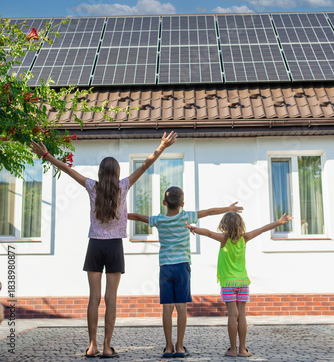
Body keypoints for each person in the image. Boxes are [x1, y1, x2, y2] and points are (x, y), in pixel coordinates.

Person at [30, 131, 178, 359]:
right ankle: (107, 346)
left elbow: (69, 170)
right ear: (117, 173)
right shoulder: (124, 185)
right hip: (114, 247)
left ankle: (92, 345)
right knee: (111, 299)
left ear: (100, 173)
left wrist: (47, 155)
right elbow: (145, 166)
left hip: (95, 246)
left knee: (94, 298)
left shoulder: (92, 187)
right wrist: (162, 147)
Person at [128, 186, 243, 358]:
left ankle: (168, 348)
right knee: (181, 307)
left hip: (166, 267)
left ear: (164, 203)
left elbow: (137, 216)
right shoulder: (186, 217)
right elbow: (209, 212)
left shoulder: (158, 219)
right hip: (182, 266)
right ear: (182, 204)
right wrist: (229, 209)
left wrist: (117, 214)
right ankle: (180, 347)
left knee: (167, 307)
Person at [186, 212, 293, 358]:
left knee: (232, 314)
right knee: (241, 314)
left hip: (228, 282)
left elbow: (209, 233)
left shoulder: (223, 239)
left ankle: (233, 349)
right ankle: (243, 349)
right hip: (242, 281)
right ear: (240, 225)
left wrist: (193, 228)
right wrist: (279, 222)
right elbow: (262, 229)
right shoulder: (245, 238)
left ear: (224, 225)